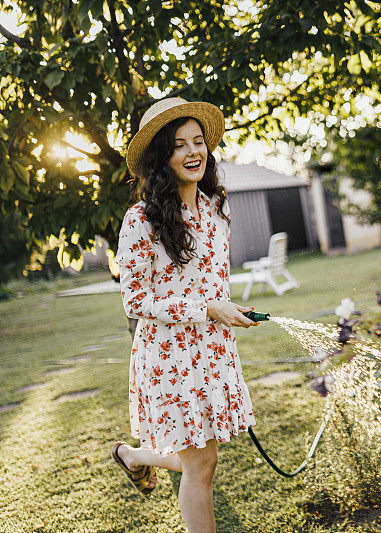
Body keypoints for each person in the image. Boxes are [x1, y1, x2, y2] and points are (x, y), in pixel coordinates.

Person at [110, 97, 259, 533]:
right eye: (179, 145)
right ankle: (135, 455)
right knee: (202, 464)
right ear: (162, 156)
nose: (193, 152)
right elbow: (135, 300)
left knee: (200, 455)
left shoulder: (217, 210)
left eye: (199, 142)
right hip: (170, 357)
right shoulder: (140, 220)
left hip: (213, 351)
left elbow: (214, 283)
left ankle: (134, 455)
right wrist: (205, 308)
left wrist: (229, 307)